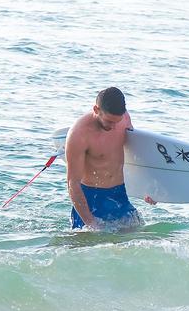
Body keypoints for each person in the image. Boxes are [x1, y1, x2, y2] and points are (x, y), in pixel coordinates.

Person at [65, 87, 154, 230]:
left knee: (137, 237)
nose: (113, 127)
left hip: (119, 194)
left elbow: (134, 156)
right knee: (89, 248)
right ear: (96, 109)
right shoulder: (79, 134)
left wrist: (146, 189)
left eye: (116, 122)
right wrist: (91, 223)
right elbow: (72, 184)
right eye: (109, 121)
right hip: (91, 199)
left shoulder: (124, 118)